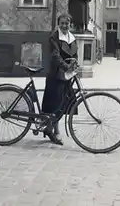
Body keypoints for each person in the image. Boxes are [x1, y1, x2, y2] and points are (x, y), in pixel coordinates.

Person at [41, 13, 78, 145]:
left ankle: (49, 128)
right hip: (56, 74)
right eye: (62, 23)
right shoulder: (54, 37)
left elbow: (75, 54)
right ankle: (55, 131)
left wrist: (74, 65)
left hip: (66, 75)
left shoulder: (71, 37)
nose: (64, 25)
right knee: (55, 105)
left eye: (66, 23)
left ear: (70, 24)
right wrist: (66, 66)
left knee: (63, 104)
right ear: (58, 24)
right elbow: (55, 55)